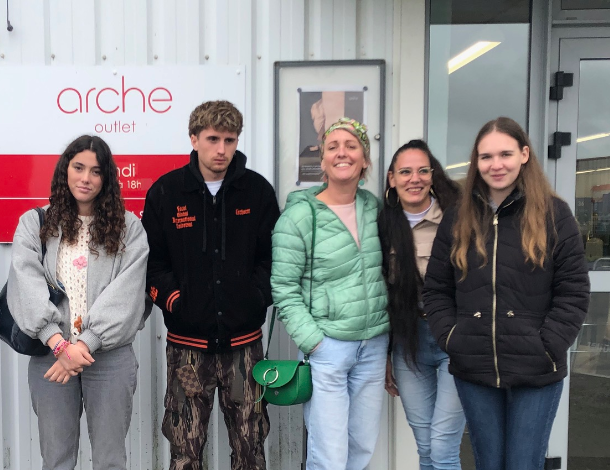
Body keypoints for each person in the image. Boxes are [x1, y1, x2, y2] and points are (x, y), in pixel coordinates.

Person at [423, 117, 590, 470]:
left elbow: (573, 291)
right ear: (476, 162)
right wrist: (454, 337)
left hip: (537, 369)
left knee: (522, 464)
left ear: (524, 154)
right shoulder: (457, 218)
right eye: (486, 157)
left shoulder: (554, 214)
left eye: (505, 154)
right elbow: (437, 288)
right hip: (475, 366)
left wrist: (547, 344)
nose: (496, 165)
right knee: (489, 463)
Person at [143, 100, 280, 470]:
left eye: (230, 140)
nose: (222, 149)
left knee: (250, 447)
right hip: (188, 352)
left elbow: (273, 259)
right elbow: (151, 265)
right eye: (213, 139)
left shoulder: (257, 193)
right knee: (185, 451)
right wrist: (175, 301)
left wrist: (254, 299)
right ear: (194, 139)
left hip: (244, 350)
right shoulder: (167, 193)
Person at [7, 134, 150, 470]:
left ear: (107, 179)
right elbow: (24, 283)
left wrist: (84, 344)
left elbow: (128, 294)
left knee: (110, 460)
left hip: (110, 358)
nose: (86, 178)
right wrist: (59, 345)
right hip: (50, 355)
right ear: (65, 170)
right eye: (78, 167)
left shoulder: (129, 228)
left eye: (96, 171)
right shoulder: (35, 223)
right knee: (56, 459)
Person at [271, 117, 389, 470]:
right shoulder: (299, 217)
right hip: (330, 349)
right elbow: (284, 289)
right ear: (322, 161)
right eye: (333, 147)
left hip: (374, 345)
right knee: (329, 455)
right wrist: (315, 343)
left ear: (365, 159)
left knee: (362, 448)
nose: (342, 153)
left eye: (351, 146)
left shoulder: (374, 209)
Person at [378, 140, 464, 469]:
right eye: (405, 171)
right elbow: (381, 293)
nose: (414, 179)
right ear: (391, 179)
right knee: (426, 447)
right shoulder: (383, 226)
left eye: (422, 170)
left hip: (453, 341)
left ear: (432, 175)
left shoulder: (458, 220)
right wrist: (386, 354)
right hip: (409, 343)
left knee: (443, 448)